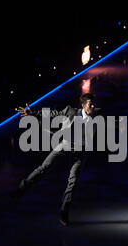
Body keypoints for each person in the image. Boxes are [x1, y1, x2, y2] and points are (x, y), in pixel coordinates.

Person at [13, 93, 101, 226]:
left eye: (94, 103)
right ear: (83, 106)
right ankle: (21, 189)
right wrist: (33, 112)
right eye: (90, 104)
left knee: (73, 181)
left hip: (81, 152)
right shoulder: (70, 111)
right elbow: (53, 114)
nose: (93, 106)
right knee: (44, 168)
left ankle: (64, 212)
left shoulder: (97, 114)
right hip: (65, 146)